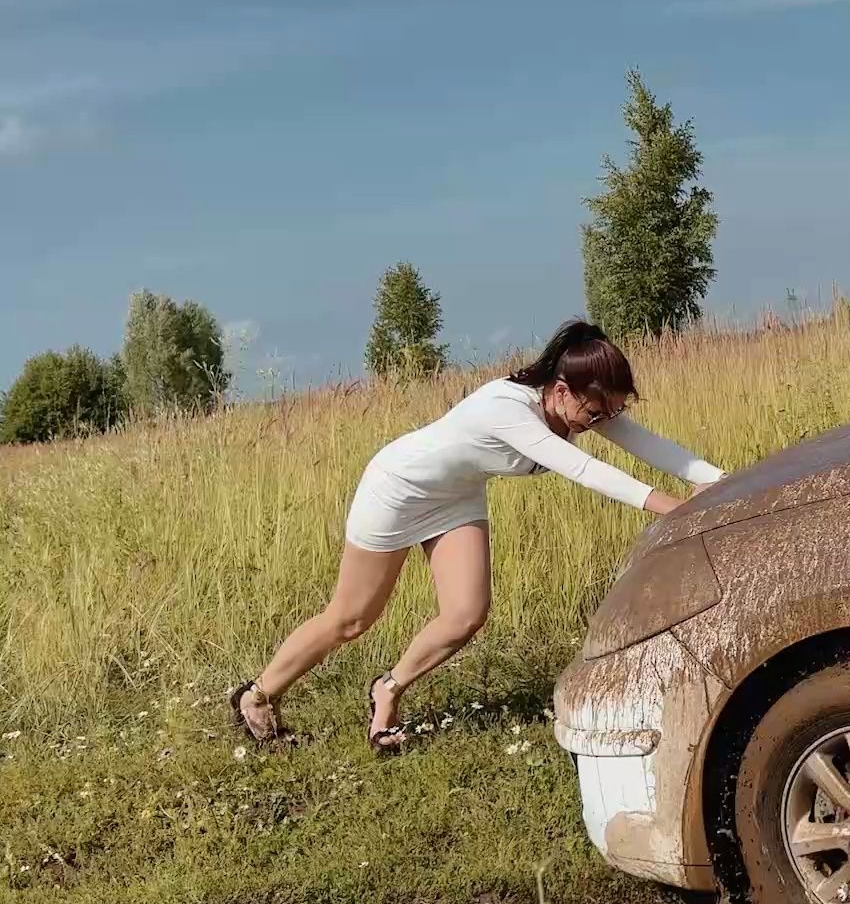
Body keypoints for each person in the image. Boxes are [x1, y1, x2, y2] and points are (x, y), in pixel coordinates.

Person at [230, 319, 725, 753]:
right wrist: (673, 508)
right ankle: (258, 694)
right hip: (399, 489)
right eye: (595, 414)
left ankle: (388, 688)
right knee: (353, 617)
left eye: (608, 415)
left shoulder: (581, 405)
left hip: (456, 496)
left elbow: (646, 444)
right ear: (560, 389)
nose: (600, 423)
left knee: (466, 615)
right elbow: (582, 469)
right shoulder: (506, 408)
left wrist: (719, 479)